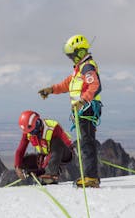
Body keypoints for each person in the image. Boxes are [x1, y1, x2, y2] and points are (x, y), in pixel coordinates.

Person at [38, 34, 102, 188]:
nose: (71, 59)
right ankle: (90, 176)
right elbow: (67, 84)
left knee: (87, 142)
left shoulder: (87, 67)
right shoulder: (79, 69)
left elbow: (95, 86)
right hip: (82, 110)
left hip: (87, 109)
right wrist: (51, 89)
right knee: (85, 142)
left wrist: (83, 100)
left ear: (80, 52)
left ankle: (91, 178)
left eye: (72, 55)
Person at [14, 110, 74, 185]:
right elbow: (20, 150)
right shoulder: (28, 131)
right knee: (24, 162)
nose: (31, 134)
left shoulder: (53, 128)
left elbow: (55, 150)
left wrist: (42, 170)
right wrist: (18, 166)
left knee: (57, 142)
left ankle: (50, 175)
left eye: (32, 131)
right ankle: (47, 174)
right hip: (47, 155)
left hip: (65, 153)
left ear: (36, 124)